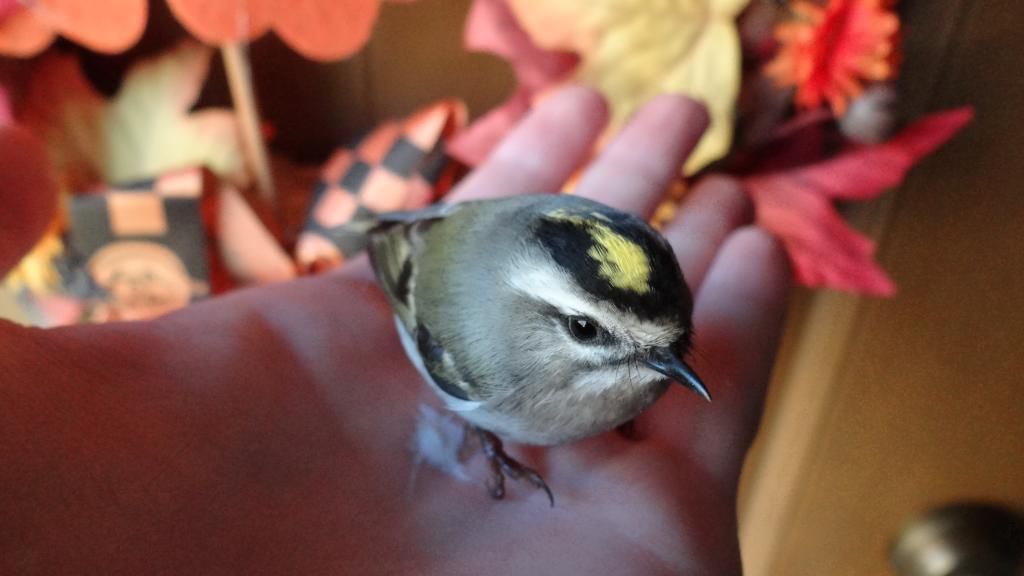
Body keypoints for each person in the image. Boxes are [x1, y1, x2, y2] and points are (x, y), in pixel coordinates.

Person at [0, 86, 789, 575]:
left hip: (487, 234)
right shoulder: (488, 363)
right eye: (588, 331)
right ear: (545, 321)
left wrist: (636, 341)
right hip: (429, 249)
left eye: (667, 335)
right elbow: (407, 252)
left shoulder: (638, 282)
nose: (664, 361)